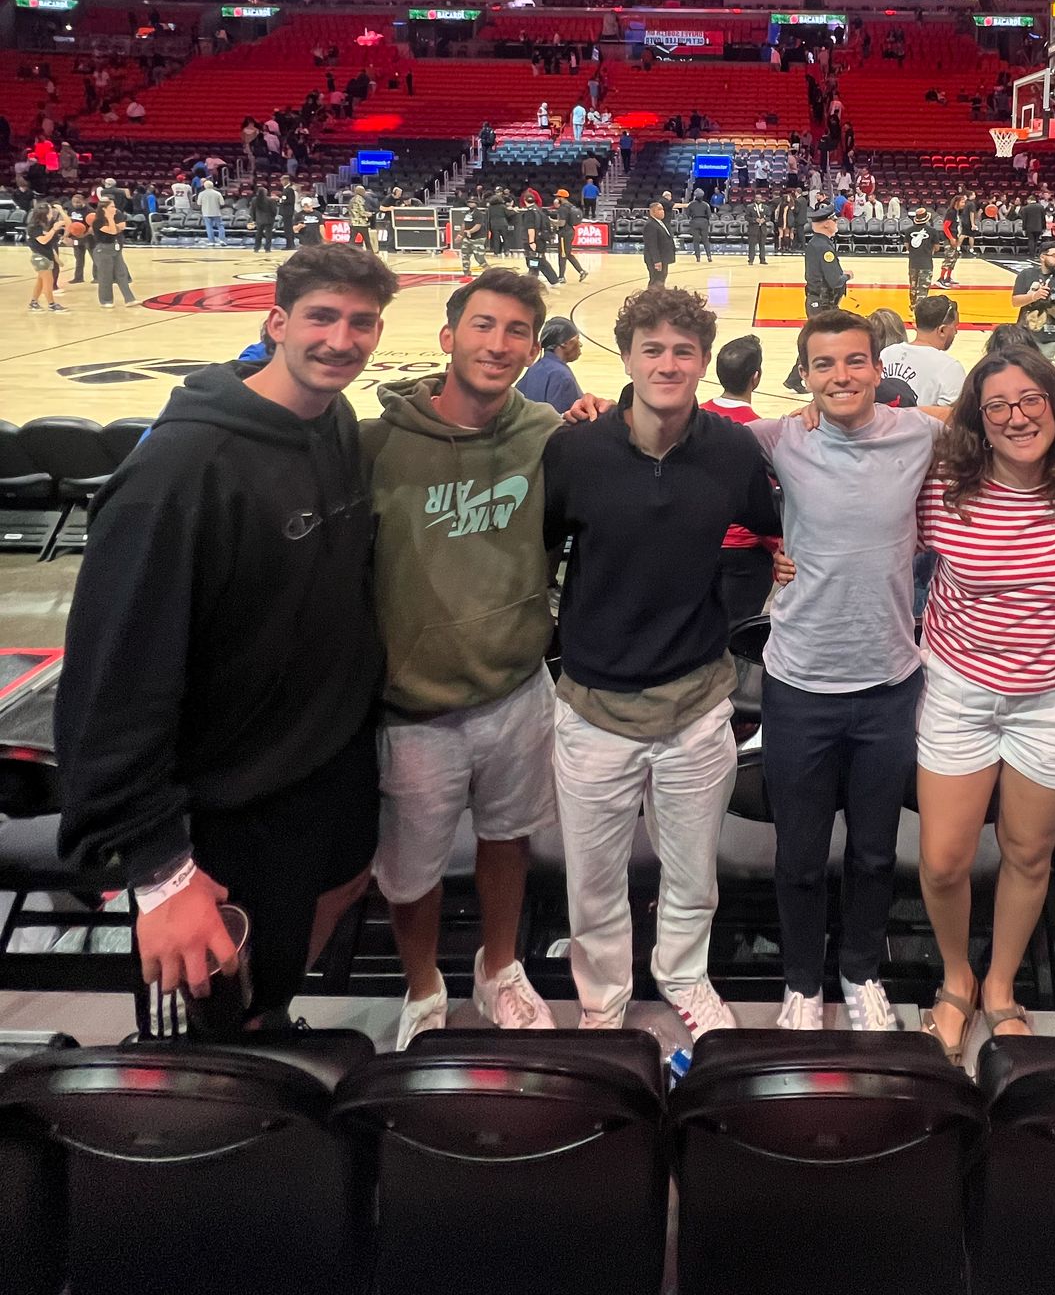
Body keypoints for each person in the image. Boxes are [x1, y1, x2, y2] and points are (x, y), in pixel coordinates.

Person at [56, 245, 400, 1019]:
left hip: (326, 758)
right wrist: (160, 866)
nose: (342, 340)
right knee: (226, 999)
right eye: (321, 317)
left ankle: (270, 1016)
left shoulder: (335, 423)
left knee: (337, 890)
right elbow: (114, 676)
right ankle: (230, 1088)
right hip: (233, 787)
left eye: (362, 323)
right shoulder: (177, 470)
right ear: (275, 322)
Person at [542, 288, 780, 1038]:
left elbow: (772, 533)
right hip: (592, 708)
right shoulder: (575, 450)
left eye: (683, 351)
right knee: (595, 881)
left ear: (704, 363)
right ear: (628, 357)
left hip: (697, 704)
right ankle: (603, 998)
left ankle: (685, 976)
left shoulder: (731, 450)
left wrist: (770, 574)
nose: (668, 363)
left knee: (691, 874)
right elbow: (542, 547)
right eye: (653, 349)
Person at [363, 269, 563, 1047]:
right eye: (483, 325)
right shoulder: (376, 445)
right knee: (408, 872)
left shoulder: (545, 432)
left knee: (507, 841)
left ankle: (500, 967)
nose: (498, 343)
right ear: (448, 337)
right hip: (414, 706)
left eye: (516, 331)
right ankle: (422, 986)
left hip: (515, 688)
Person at [915, 348, 1055, 1060]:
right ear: (978, 420)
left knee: (1028, 855)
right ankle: (955, 977)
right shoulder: (944, 485)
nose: (1016, 416)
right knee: (943, 860)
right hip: (960, 691)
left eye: (1030, 400)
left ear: (1054, 403)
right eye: (996, 406)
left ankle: (998, 987)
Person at [751, 309, 939, 1031]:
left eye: (853, 361)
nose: (840, 376)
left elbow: (997, 429)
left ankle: (861, 973)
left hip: (890, 684)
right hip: (799, 685)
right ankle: (802, 983)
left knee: (872, 853)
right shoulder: (781, 438)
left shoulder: (918, 433)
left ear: (876, 368)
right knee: (798, 857)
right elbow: (686, 441)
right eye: (823, 365)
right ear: (804, 375)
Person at [702, 335, 778, 630]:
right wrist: (777, 549)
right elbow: (767, 497)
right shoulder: (760, 430)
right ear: (755, 377)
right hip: (745, 552)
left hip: (698, 543)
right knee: (737, 636)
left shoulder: (692, 417)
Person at [785, 209, 849, 393]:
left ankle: (795, 379)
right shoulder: (823, 247)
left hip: (819, 301)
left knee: (818, 341)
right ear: (827, 224)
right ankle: (796, 378)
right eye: (834, 221)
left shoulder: (817, 243)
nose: (836, 224)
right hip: (822, 302)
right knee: (817, 342)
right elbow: (834, 280)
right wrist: (846, 276)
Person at [882, 293, 966, 407]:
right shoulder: (950, 368)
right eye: (955, 327)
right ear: (942, 330)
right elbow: (949, 418)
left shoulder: (887, 353)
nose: (956, 332)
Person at [1012, 241, 1055, 364]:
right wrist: (1034, 296)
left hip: (1053, 335)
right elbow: (1015, 302)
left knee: (1041, 363)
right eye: (1054, 255)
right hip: (1026, 332)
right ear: (1042, 257)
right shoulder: (1026, 275)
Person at [520, 316, 583, 414]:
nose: (580, 344)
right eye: (577, 339)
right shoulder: (562, 376)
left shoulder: (533, 369)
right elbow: (564, 423)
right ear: (564, 343)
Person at [92, 189, 135, 308]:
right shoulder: (97, 222)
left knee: (122, 274)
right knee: (106, 276)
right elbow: (113, 231)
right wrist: (111, 219)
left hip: (115, 248)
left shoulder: (117, 215)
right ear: (104, 209)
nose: (115, 209)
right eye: (112, 207)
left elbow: (121, 227)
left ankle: (129, 299)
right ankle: (106, 301)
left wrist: (114, 224)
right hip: (103, 250)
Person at [26, 197, 66, 312]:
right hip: (40, 257)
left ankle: (33, 302)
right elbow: (43, 240)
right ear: (45, 214)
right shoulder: (34, 227)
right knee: (48, 283)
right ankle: (51, 305)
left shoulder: (41, 225)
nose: (51, 213)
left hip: (45, 256)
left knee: (40, 281)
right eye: (50, 211)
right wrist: (54, 229)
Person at [516, 195, 560, 285]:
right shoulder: (540, 210)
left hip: (535, 240)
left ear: (524, 201)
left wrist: (531, 241)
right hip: (541, 239)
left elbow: (531, 228)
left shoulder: (530, 213)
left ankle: (553, 280)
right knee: (535, 259)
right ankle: (533, 275)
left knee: (537, 259)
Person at [549, 190, 589, 283]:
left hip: (564, 233)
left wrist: (551, 221)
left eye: (558, 197)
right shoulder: (571, 206)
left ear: (561, 198)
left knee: (562, 255)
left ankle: (561, 277)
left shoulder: (562, 208)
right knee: (567, 254)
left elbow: (561, 223)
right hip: (570, 231)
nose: (556, 198)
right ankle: (581, 271)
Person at [906, 204, 936, 311]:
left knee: (913, 287)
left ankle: (913, 306)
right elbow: (936, 247)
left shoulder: (909, 231)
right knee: (923, 288)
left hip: (913, 263)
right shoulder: (933, 231)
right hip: (926, 263)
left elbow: (907, 247)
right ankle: (920, 310)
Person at [642, 199, 676, 287]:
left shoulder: (660, 222)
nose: (663, 212)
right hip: (656, 260)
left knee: (661, 279)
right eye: (660, 209)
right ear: (653, 212)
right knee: (656, 280)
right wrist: (656, 261)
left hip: (663, 258)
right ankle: (650, 299)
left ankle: (659, 298)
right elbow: (652, 245)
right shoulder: (650, 225)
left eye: (663, 209)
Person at [686, 190, 714, 263]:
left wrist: (693, 216)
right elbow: (709, 215)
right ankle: (709, 256)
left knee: (696, 240)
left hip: (694, 222)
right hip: (704, 222)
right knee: (705, 240)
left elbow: (687, 214)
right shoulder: (705, 204)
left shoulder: (691, 204)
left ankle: (698, 257)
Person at [347, 183, 376, 254]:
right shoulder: (359, 199)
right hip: (361, 223)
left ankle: (348, 253)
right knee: (367, 240)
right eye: (363, 191)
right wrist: (370, 214)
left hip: (353, 222)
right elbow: (362, 212)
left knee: (352, 240)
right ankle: (371, 254)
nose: (364, 192)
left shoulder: (352, 199)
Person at [198, 179, 227, 247]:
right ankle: (222, 240)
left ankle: (211, 241)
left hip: (206, 212)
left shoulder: (201, 194)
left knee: (209, 227)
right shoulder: (217, 193)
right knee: (220, 226)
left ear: (205, 186)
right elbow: (222, 203)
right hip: (216, 212)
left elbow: (199, 203)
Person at [249, 182, 277, 255]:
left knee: (258, 234)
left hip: (259, 220)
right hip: (269, 219)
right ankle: (267, 249)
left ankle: (256, 248)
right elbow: (274, 211)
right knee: (268, 234)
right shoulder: (271, 200)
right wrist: (273, 217)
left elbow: (252, 211)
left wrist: (254, 219)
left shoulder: (254, 200)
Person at [746, 193, 772, 267]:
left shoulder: (766, 207)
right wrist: (755, 220)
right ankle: (751, 259)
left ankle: (762, 259)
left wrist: (765, 219)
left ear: (761, 199)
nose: (758, 199)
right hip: (753, 229)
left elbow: (769, 217)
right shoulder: (749, 207)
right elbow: (746, 217)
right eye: (757, 198)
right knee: (752, 245)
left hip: (762, 229)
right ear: (755, 198)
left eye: (759, 198)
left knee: (762, 245)